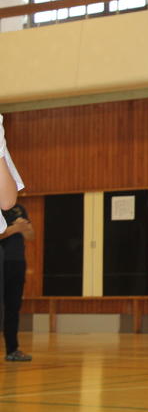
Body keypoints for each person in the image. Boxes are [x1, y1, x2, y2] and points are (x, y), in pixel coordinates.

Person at [0, 114, 28, 362]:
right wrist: (14, 229)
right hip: (6, 255)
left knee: (12, 305)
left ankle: (12, 348)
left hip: (16, 260)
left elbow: (8, 200)